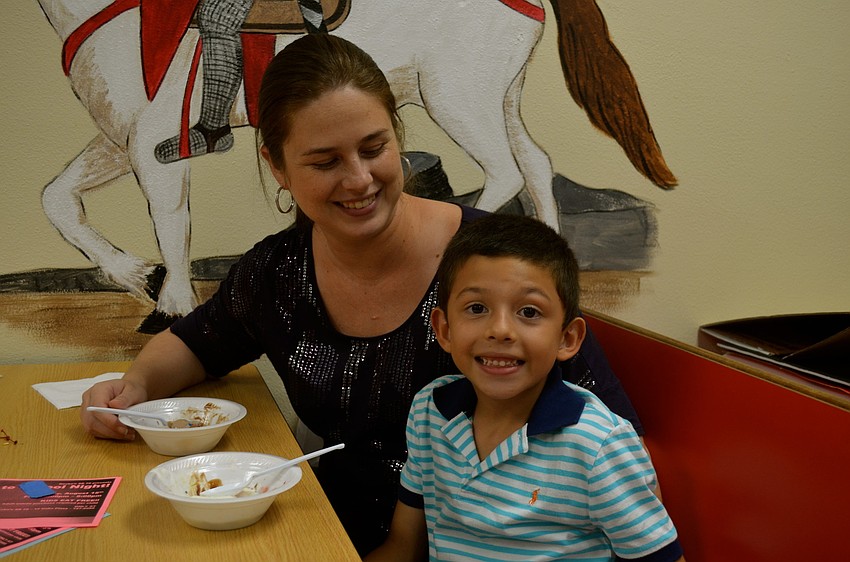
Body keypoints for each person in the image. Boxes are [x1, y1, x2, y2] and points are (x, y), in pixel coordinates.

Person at [82, 34, 645, 555]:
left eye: (374, 148)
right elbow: (196, 342)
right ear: (277, 166)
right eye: (325, 161)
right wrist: (134, 388)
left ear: (397, 137)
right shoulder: (277, 272)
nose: (358, 180)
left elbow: (619, 443)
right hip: (330, 532)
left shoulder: (499, 267)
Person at [367, 214, 684, 562]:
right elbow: (402, 546)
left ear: (568, 338)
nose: (500, 330)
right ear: (444, 330)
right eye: (477, 308)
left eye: (529, 312)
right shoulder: (430, 411)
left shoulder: (597, 445)